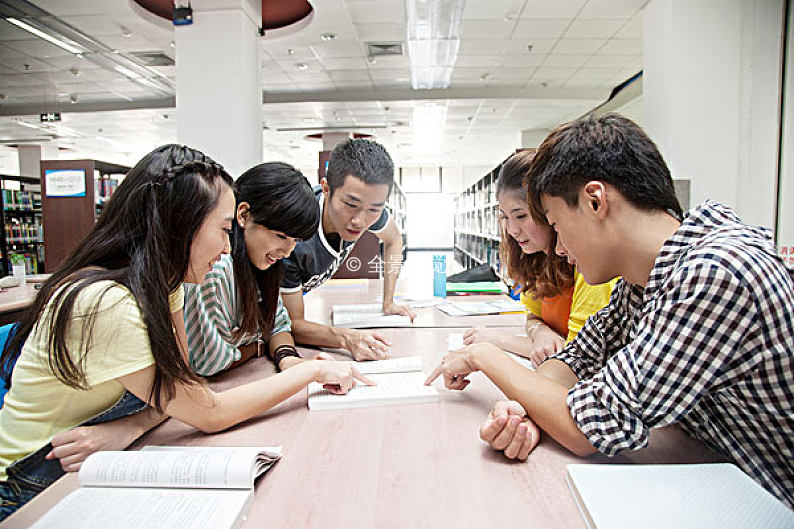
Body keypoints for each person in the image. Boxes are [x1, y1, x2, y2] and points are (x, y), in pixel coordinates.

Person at [425, 113, 794, 508]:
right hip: (716, 476)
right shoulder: (646, 276)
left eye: (557, 225)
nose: (560, 249)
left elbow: (588, 426)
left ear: (595, 201)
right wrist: (525, 409)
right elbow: (579, 358)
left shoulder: (715, 274)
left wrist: (483, 356)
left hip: (770, 500)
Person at [0, 145, 371, 520]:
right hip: (31, 485)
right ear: (180, 225)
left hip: (93, 462)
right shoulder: (106, 304)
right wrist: (313, 370)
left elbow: (186, 383)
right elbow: (208, 412)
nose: (228, 248)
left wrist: (130, 427)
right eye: (223, 230)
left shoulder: (168, 285)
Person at [462, 150, 615, 366]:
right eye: (505, 217)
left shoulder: (589, 265)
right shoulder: (537, 258)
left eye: (521, 216)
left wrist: (497, 340)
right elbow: (533, 316)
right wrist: (540, 331)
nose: (512, 230)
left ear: (547, 211)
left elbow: (576, 356)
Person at [184, 162, 329, 376]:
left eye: (295, 240)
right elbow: (209, 362)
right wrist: (260, 345)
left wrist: (287, 358)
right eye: (281, 236)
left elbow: (279, 324)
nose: (287, 251)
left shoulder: (262, 264)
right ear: (243, 215)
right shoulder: (215, 269)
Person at [280, 138, 414, 361]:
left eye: (373, 209)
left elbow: (394, 240)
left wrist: (389, 301)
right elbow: (292, 324)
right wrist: (346, 339)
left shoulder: (367, 213)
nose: (359, 221)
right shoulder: (295, 236)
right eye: (351, 205)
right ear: (326, 188)